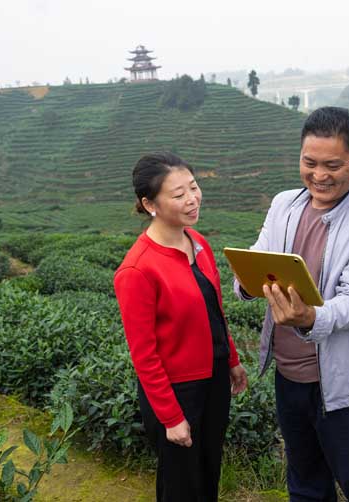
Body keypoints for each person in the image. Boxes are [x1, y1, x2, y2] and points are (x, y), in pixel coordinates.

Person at [234, 107, 349, 502]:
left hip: (348, 386)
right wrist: (245, 280)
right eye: (309, 163)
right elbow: (260, 254)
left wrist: (310, 318)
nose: (319, 176)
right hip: (290, 377)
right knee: (306, 484)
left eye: (333, 165)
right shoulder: (284, 204)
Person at [114, 152, 248, 502]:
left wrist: (231, 360)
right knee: (180, 484)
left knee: (208, 472)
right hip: (177, 391)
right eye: (178, 194)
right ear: (149, 204)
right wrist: (172, 416)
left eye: (193, 187)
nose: (192, 198)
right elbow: (144, 356)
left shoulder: (197, 242)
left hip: (214, 379)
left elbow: (214, 309)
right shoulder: (137, 270)